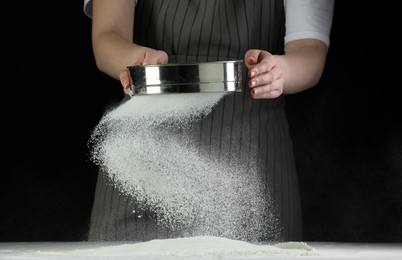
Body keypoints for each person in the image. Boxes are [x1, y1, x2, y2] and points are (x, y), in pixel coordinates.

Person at [83, 0, 334, 242]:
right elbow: (108, 34)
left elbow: (309, 49)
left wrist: (280, 72)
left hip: (252, 153)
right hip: (140, 161)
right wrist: (139, 60)